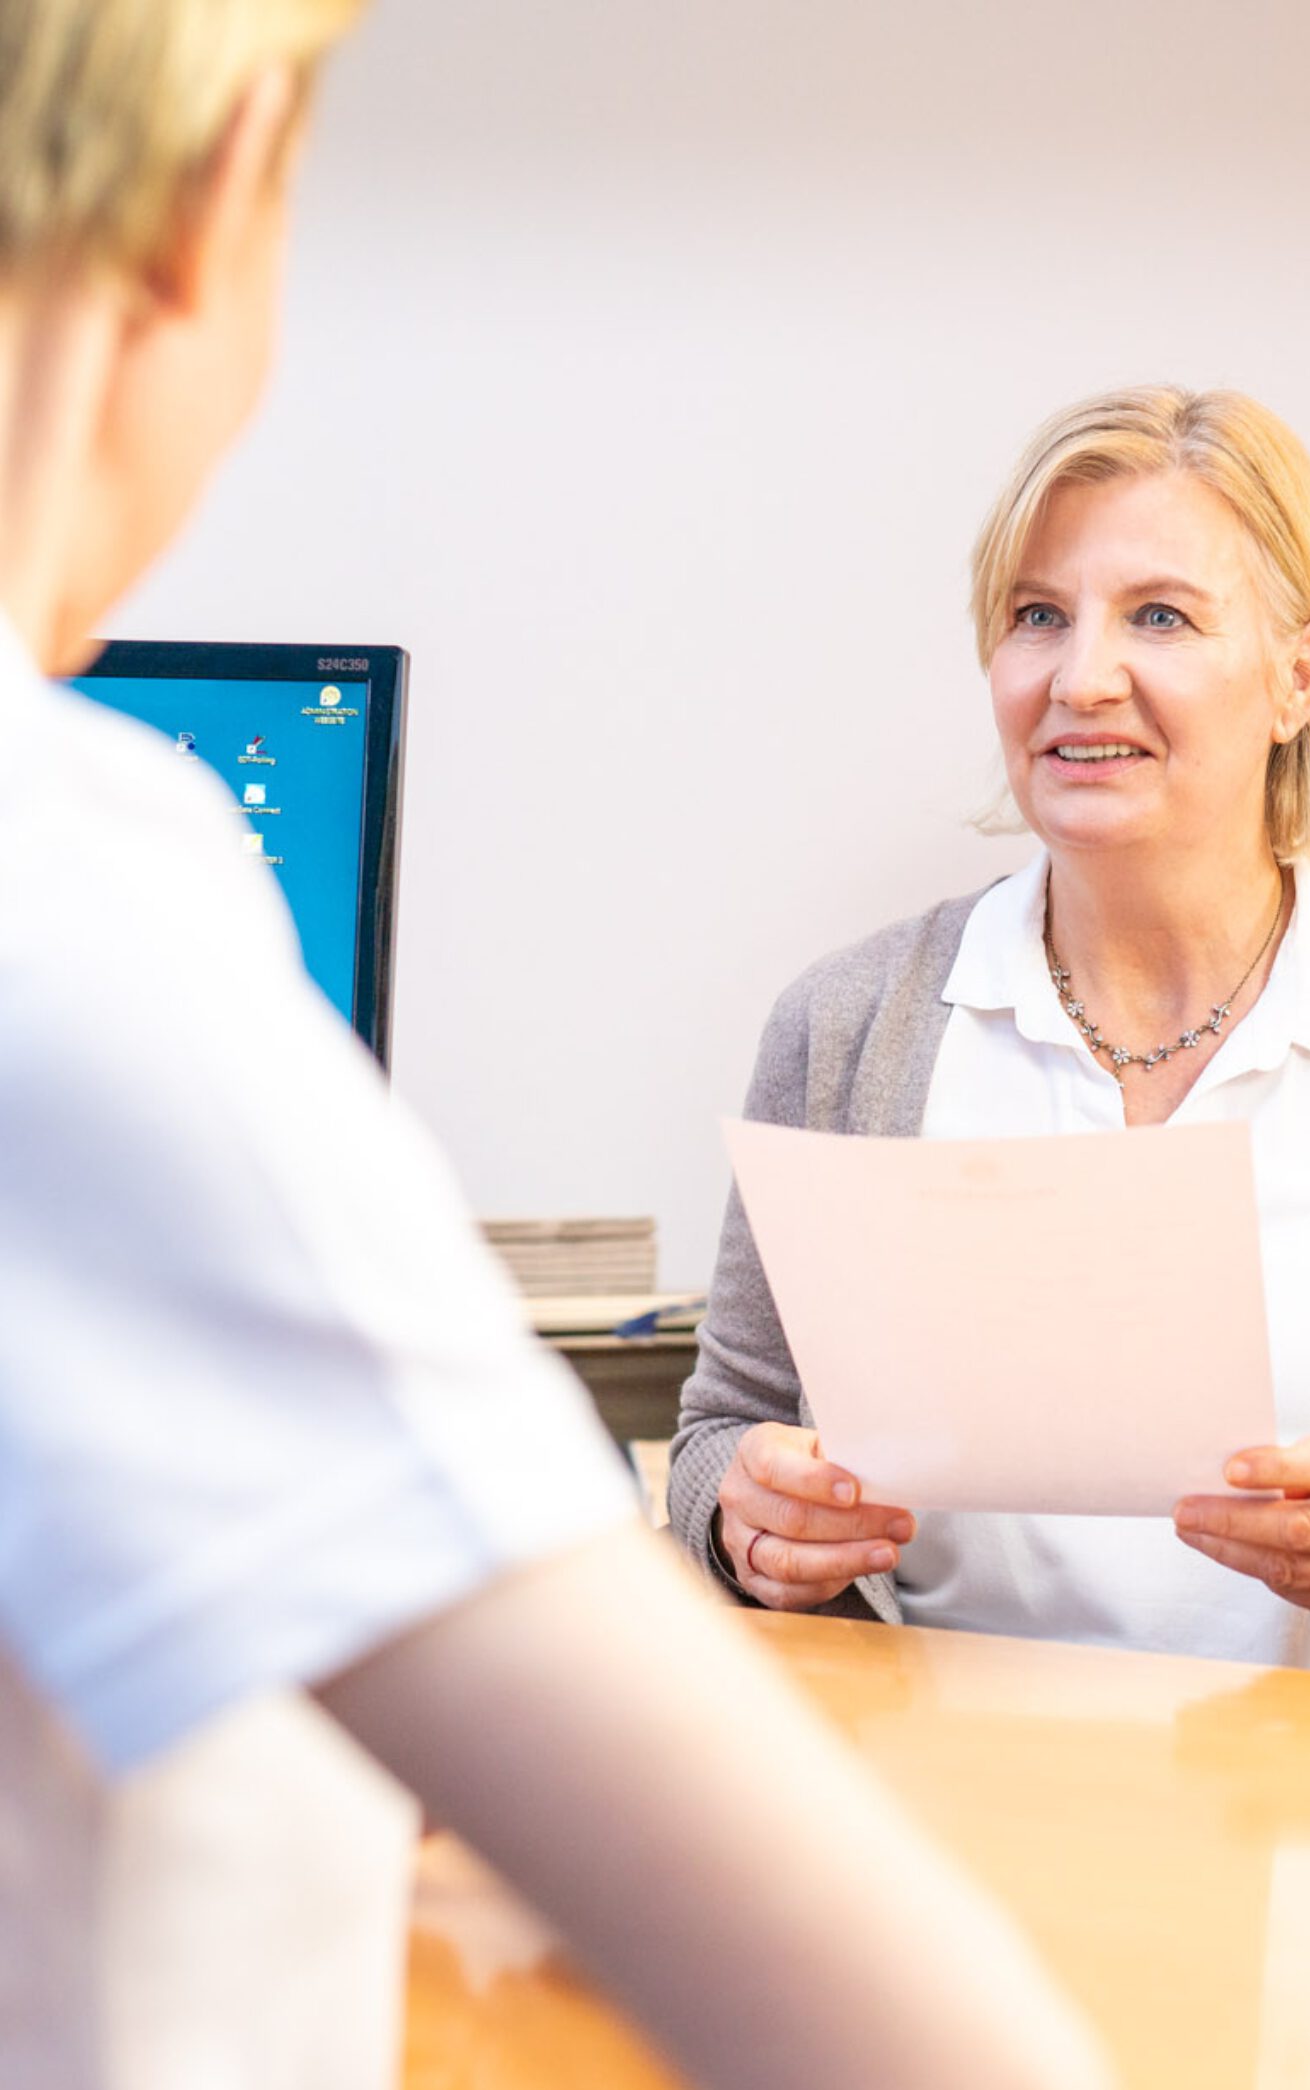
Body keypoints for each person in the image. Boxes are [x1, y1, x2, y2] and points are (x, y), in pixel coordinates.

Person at [0, 7, 1113, 2088]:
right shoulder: (75, 894)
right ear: (219, 186)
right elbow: (895, 2026)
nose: (1084, 685)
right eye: (1042, 618)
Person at [670, 384, 1310, 1696]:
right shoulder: (845, 1024)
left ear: (1296, 677)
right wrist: (746, 1518)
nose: (1080, 675)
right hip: (934, 1822)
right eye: (1038, 615)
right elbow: (719, 1440)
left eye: (1160, 614)